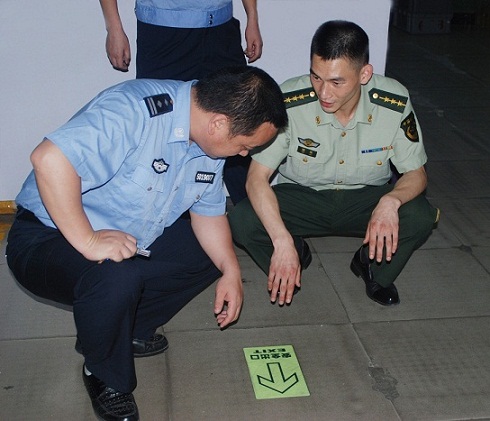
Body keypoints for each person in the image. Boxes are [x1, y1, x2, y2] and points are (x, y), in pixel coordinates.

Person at [6, 66, 287, 421]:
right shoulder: (133, 110)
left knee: (208, 254)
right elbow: (48, 159)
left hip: (124, 240)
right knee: (116, 277)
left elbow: (208, 212)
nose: (244, 155)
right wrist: (90, 241)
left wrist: (230, 271)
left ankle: (119, 330)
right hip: (46, 236)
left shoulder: (208, 141)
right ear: (219, 123)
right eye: (245, 145)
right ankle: (103, 373)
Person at [228, 20, 440, 308]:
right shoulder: (288, 99)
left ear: (364, 74)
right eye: (316, 77)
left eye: (337, 82)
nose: (323, 93)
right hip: (303, 198)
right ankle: (294, 253)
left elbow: (416, 173)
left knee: (419, 216)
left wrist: (391, 201)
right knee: (242, 221)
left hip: (365, 199)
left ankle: (372, 267)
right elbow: (256, 178)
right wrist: (281, 240)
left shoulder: (393, 101)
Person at [99, 0, 264, 204]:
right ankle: (162, 214)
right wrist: (114, 28)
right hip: (163, 34)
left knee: (237, 123)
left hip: (221, 30)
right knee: (161, 130)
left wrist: (252, 18)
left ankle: (251, 214)